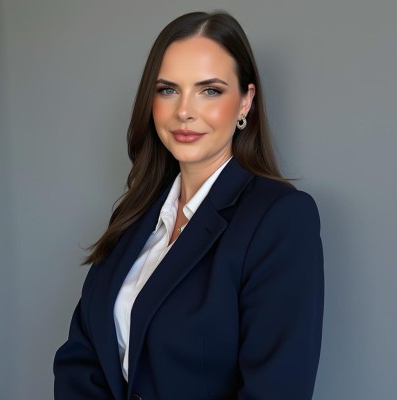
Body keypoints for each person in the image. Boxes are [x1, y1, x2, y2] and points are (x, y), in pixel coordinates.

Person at [54, 11, 324, 400]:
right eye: (168, 90)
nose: (184, 111)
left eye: (209, 90)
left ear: (245, 101)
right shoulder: (135, 214)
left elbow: (276, 389)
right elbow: (81, 358)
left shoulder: (281, 219)